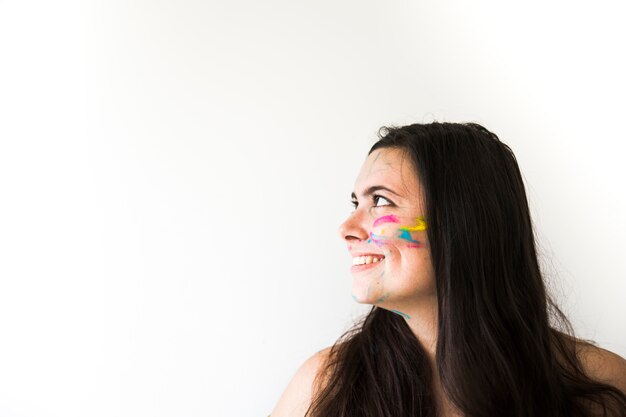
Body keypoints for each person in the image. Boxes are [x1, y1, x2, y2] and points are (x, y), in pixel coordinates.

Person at [271, 122, 626, 417]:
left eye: (379, 200)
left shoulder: (602, 389)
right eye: (356, 202)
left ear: (460, 223)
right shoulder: (322, 386)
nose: (347, 228)